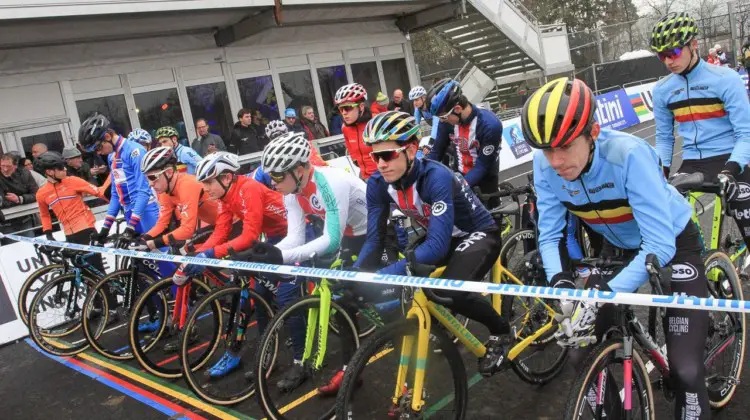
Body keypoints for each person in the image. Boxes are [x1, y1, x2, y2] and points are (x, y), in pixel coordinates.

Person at [523, 75, 709, 419]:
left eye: (564, 146)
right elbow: (549, 236)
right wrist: (561, 284)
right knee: (580, 346)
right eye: (546, 150)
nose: (555, 161)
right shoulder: (545, 167)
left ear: (593, 132)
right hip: (619, 246)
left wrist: (603, 293)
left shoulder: (630, 155)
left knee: (685, 370)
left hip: (673, 242)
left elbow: (659, 245)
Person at [355, 111, 512, 379]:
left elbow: (436, 247)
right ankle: (449, 326)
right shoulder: (378, 184)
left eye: (388, 155)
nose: (380, 164)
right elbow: (374, 239)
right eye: (375, 156)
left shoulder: (435, 177)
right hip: (447, 237)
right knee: (425, 286)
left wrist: (382, 276)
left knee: (454, 291)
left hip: (478, 233)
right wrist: (355, 274)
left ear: (412, 149)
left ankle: (502, 332)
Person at [250, 131, 370, 393]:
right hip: (350, 236)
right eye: (271, 175)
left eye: (278, 176)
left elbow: (331, 240)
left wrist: (281, 256)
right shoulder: (292, 191)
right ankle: (351, 370)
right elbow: (294, 237)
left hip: (374, 233)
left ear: (300, 169)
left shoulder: (329, 181)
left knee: (372, 296)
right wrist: (263, 252)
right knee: (342, 300)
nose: (273, 182)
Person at [174, 151, 288, 377]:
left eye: (208, 182)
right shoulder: (224, 197)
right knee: (259, 295)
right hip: (272, 236)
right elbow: (221, 231)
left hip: (292, 233)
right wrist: (198, 252)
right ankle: (262, 353)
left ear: (226, 177)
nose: (205, 188)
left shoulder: (249, 188)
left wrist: (209, 255)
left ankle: (300, 353)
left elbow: (249, 236)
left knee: (284, 295)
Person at [651, 12, 750, 258]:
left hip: (731, 158)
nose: (668, 61)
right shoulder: (663, 90)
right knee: (670, 222)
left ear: (693, 45)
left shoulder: (726, 79)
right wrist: (659, 172)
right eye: (661, 55)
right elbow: (664, 138)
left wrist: (731, 169)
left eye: (673, 52)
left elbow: (746, 133)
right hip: (693, 161)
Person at [78, 114, 160, 244]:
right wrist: (105, 228)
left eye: (98, 148)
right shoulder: (112, 157)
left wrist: (131, 226)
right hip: (129, 212)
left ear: (107, 137)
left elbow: (144, 190)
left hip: (146, 210)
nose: (98, 153)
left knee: (162, 259)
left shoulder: (135, 151)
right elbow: (116, 194)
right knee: (140, 262)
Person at [426, 78, 502, 207]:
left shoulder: (490, 125)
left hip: (485, 175)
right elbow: (436, 152)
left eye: (443, 117)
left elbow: (482, 166)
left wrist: (458, 187)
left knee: (492, 222)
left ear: (457, 108)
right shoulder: (447, 123)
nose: (442, 121)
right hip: (459, 171)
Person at [34, 151, 107, 273]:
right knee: (84, 276)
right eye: (60, 168)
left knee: (97, 270)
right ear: (49, 172)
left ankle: (110, 292)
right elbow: (44, 215)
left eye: (64, 166)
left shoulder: (73, 181)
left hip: (86, 230)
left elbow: (99, 192)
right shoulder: (41, 193)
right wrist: (48, 234)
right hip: (69, 235)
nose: (64, 169)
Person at [137, 147, 218, 250]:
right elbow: (162, 223)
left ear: (169, 172)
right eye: (147, 178)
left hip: (232, 222)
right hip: (216, 224)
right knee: (187, 250)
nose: (150, 184)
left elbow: (187, 230)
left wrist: (155, 243)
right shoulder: (166, 190)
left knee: (195, 256)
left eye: (153, 177)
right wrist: (144, 238)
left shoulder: (187, 185)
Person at [334, 83, 378, 180]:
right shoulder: (345, 128)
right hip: (364, 176)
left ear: (361, 107)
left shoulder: (375, 122)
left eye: (348, 108)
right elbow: (351, 150)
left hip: (382, 176)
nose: (344, 113)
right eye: (341, 109)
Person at [0, 153, 39, 240]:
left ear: (15, 165)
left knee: (30, 247)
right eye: (2, 166)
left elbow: (37, 194)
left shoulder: (25, 173)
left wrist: (20, 199)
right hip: (5, 223)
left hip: (25, 219)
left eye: (8, 166)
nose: (5, 169)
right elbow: (1, 202)